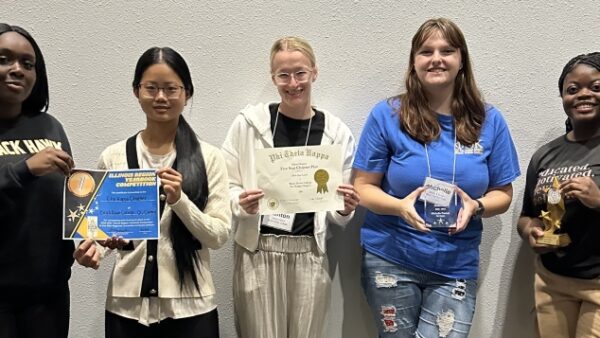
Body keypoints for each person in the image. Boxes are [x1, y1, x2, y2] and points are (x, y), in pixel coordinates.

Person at [353, 18, 520, 337]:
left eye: (447, 50)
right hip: (390, 257)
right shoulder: (387, 115)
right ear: (414, 62)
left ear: (461, 61)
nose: (436, 58)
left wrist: (477, 207)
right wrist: (400, 207)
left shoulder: (489, 120)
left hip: (455, 264)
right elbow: (363, 188)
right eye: (425, 51)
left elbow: (504, 193)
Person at [74, 47, 230, 338]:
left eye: (171, 89)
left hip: (192, 308)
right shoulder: (113, 156)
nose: (161, 97)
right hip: (125, 307)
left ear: (187, 93)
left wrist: (179, 201)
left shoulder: (210, 158)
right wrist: (93, 249)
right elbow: (104, 232)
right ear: (136, 91)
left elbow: (218, 236)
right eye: (151, 88)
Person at [221, 36, 359, 338]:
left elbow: (335, 210)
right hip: (257, 250)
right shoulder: (248, 125)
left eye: (300, 73)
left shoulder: (336, 133)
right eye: (283, 75)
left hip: (309, 251)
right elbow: (225, 184)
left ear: (314, 72)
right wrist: (239, 203)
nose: (293, 83)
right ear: (273, 78)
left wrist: (345, 208)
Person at [0, 23, 75, 338]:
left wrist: (89, 241)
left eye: (28, 64)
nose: (17, 69)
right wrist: (24, 169)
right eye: (4, 59)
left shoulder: (50, 127)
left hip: (48, 295)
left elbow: (73, 198)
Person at [518, 52, 600, 338]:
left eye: (596, 87)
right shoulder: (545, 154)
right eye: (573, 89)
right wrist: (531, 231)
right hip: (551, 281)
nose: (584, 94)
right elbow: (526, 216)